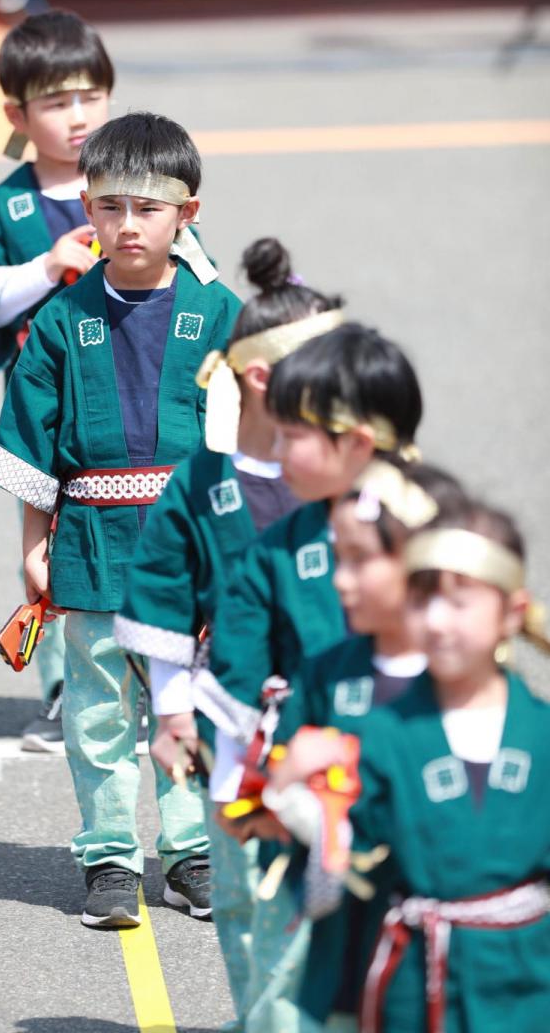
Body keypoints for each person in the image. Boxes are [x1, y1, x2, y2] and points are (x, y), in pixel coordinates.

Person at [0, 111, 242, 928]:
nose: (127, 225)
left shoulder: (220, 314)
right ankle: (107, 857)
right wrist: (34, 547)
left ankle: (190, 852)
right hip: (92, 545)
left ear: (186, 213)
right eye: (109, 207)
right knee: (98, 710)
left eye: (147, 208)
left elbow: (248, 445)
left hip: (189, 553)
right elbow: (30, 439)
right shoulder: (62, 319)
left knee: (189, 702)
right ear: (87, 208)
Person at [113, 237, 343, 1030]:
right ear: (262, 378)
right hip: (231, 733)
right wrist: (172, 712)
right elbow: (162, 594)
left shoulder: (348, 482)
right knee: (245, 914)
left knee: (300, 920)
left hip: (334, 733)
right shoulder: (202, 483)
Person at [193, 322, 424, 1032]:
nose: (277, 445)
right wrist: (252, 791)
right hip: (304, 816)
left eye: (292, 433)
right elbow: (235, 679)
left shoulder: (438, 541)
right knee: (295, 981)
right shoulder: (276, 550)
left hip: (419, 833)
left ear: (354, 442)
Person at [272, 496, 550, 1033]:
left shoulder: (541, 731)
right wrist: (290, 793)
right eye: (422, 601)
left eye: (459, 602)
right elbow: (343, 857)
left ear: (512, 613)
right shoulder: (383, 733)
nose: (437, 622)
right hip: (413, 987)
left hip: (529, 985)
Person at [0, 10, 114, 752]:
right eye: (55, 102)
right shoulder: (8, 205)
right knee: (49, 545)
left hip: (131, 401)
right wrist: (46, 268)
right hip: (45, 410)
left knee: (138, 527)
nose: (77, 116)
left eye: (90, 96)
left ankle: (147, 677)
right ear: (17, 115)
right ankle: (63, 687)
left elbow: (195, 270)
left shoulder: (131, 183)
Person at [259, 459, 464, 1031]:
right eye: (337, 557)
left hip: (458, 970)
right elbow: (274, 832)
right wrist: (289, 797)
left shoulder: (473, 687)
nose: (339, 579)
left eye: (361, 559)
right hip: (345, 958)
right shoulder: (325, 675)